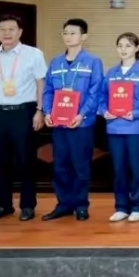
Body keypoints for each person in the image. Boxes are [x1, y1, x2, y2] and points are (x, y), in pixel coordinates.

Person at [0, 14, 48, 222]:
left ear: (20, 32)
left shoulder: (33, 54)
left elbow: (41, 83)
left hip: (23, 112)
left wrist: (40, 110)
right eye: (2, 29)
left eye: (11, 29)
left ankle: (27, 205)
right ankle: (3, 205)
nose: (6, 33)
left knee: (25, 160)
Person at [41, 18, 105, 221]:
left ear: (83, 36)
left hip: (81, 123)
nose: (68, 37)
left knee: (80, 166)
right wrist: (47, 112)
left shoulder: (93, 62)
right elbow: (48, 90)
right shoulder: (56, 62)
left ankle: (81, 205)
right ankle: (63, 204)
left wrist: (81, 114)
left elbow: (95, 92)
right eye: (65, 33)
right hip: (59, 123)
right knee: (60, 165)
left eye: (73, 33)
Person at [99, 32, 139, 222]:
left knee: (137, 168)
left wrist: (136, 113)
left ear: (136, 48)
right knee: (119, 169)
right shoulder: (111, 73)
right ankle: (122, 206)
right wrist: (103, 111)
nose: (123, 50)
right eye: (120, 46)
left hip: (137, 128)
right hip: (115, 128)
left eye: (128, 46)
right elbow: (101, 97)